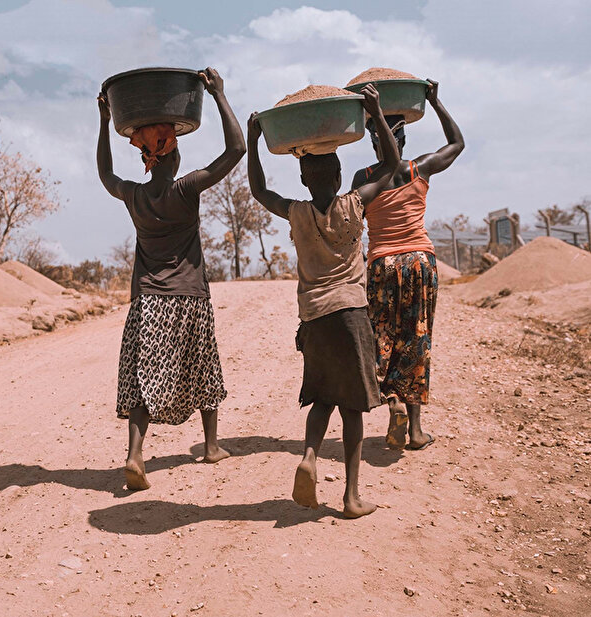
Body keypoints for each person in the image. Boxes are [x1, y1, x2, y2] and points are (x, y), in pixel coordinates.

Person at [247, 84, 399, 518]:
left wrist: (256, 140)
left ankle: (310, 456)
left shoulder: (296, 211)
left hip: (314, 318)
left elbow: (259, 191)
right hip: (352, 313)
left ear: (303, 178)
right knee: (352, 407)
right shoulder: (355, 203)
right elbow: (389, 165)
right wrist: (374, 112)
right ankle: (350, 497)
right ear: (337, 175)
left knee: (321, 398)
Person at [97, 67, 245, 491]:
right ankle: (212, 445)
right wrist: (219, 95)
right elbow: (235, 150)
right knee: (204, 370)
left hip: (148, 301)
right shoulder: (186, 189)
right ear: (172, 157)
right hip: (190, 298)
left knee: (146, 377)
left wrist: (105, 122)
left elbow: (105, 175)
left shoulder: (135, 195)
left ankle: (134, 454)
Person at [350, 79, 465, 451]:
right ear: (403, 140)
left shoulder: (363, 179)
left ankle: (393, 402)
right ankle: (415, 431)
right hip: (420, 261)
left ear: (373, 139)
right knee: (417, 340)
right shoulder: (420, 169)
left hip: (383, 264)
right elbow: (457, 144)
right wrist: (435, 101)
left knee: (382, 339)